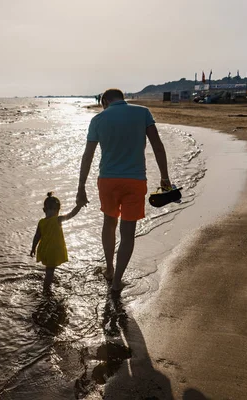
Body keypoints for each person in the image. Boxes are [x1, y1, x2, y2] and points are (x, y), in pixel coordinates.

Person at [76, 88, 171, 292]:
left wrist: (81, 187)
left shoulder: (98, 119)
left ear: (105, 101)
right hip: (135, 180)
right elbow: (157, 146)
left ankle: (109, 269)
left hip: (108, 181)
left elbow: (88, 156)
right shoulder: (143, 113)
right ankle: (117, 281)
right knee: (127, 233)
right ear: (121, 98)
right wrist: (164, 177)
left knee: (109, 224)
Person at [30, 192, 83, 294]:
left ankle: (47, 285)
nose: (52, 212)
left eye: (54, 210)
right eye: (51, 210)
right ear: (45, 210)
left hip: (44, 250)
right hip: (53, 251)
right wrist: (79, 206)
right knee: (49, 272)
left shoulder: (42, 222)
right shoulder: (58, 219)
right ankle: (46, 290)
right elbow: (71, 214)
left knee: (49, 270)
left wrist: (33, 248)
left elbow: (37, 236)